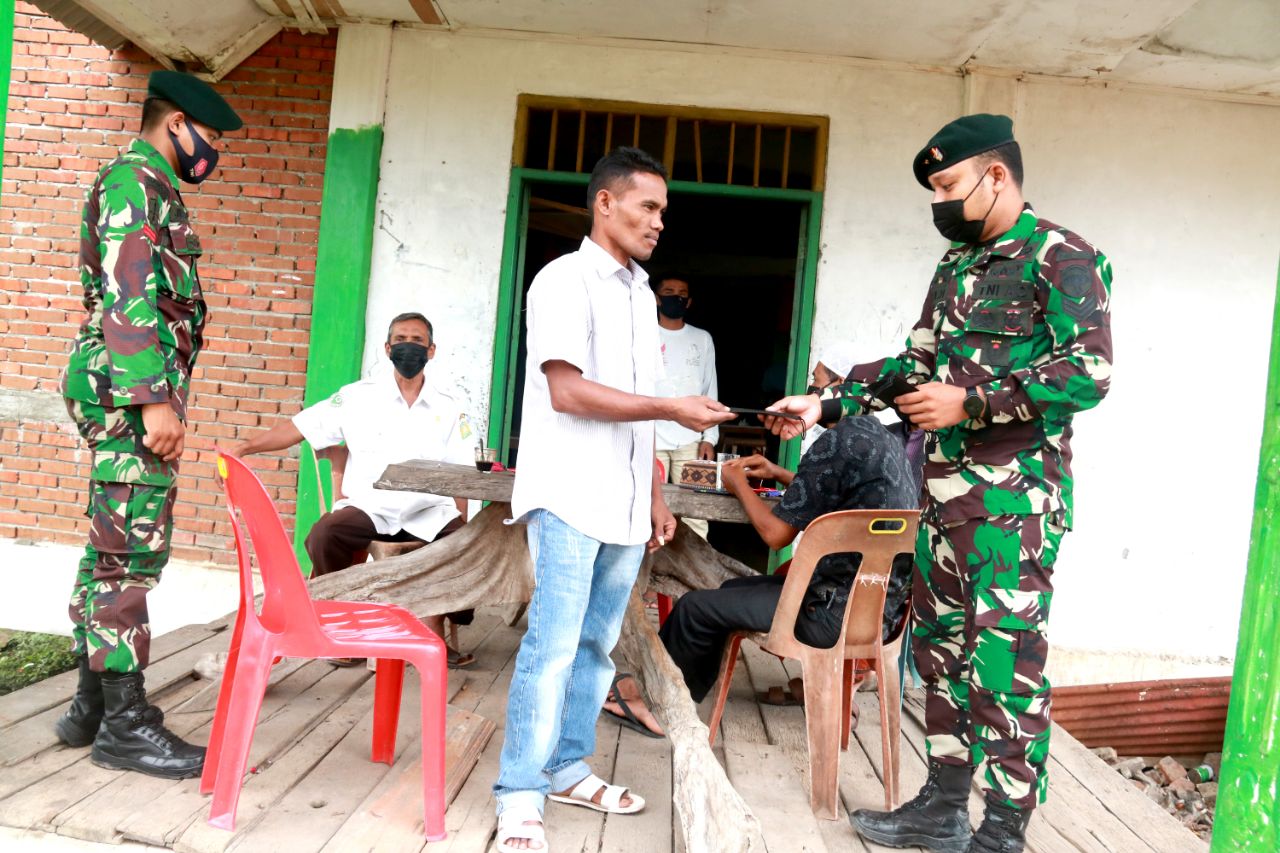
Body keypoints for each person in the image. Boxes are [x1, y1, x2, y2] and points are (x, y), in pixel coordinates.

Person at [763, 114, 1112, 853]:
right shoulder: (955, 268)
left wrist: (974, 402)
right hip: (944, 501)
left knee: (1004, 664)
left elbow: (1089, 373)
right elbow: (913, 366)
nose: (941, 203)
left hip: (1014, 505)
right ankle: (941, 807)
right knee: (941, 654)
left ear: (996, 176)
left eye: (949, 185)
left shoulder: (1062, 257)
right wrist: (825, 403)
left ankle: (1004, 830)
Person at [493, 147, 733, 853]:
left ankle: (567, 764)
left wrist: (656, 490)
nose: (659, 221)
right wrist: (669, 404)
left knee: (598, 645)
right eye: (647, 206)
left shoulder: (639, 290)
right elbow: (567, 391)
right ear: (605, 203)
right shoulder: (563, 281)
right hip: (570, 494)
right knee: (554, 643)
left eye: (663, 210)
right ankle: (519, 793)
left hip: (627, 503)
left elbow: (642, 413)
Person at [55, 71, 242, 779]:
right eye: (210, 136)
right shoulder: (139, 182)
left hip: (117, 382)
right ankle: (126, 725)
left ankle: (92, 705)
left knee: (110, 539)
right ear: (175, 125)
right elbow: (132, 291)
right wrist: (152, 399)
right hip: (132, 387)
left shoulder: (144, 184)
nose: (213, 151)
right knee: (127, 554)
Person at [656, 359, 918, 705]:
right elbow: (831, 492)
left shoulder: (836, 441)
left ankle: (667, 701)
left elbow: (776, 534)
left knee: (693, 607)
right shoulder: (879, 440)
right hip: (875, 614)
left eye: (817, 384)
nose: (810, 391)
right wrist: (777, 472)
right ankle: (690, 691)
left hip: (828, 615)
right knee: (729, 589)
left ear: (838, 391)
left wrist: (737, 484)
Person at [230, 312, 477, 667]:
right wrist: (246, 448)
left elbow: (461, 474)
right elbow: (300, 427)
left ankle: (433, 633)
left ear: (432, 351)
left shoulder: (449, 407)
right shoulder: (358, 397)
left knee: (468, 548)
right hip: (370, 508)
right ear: (388, 348)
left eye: (418, 341)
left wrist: (460, 525)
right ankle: (343, 628)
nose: (410, 347)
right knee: (324, 536)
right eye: (402, 340)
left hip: (429, 512)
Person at [652, 275, 719, 538]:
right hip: (650, 439)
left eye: (682, 293)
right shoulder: (643, 335)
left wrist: (710, 438)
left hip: (692, 440)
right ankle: (651, 567)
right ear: (657, 298)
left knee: (697, 512)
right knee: (648, 507)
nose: (675, 297)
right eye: (668, 291)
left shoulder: (702, 339)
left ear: (689, 302)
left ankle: (697, 570)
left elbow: (709, 390)